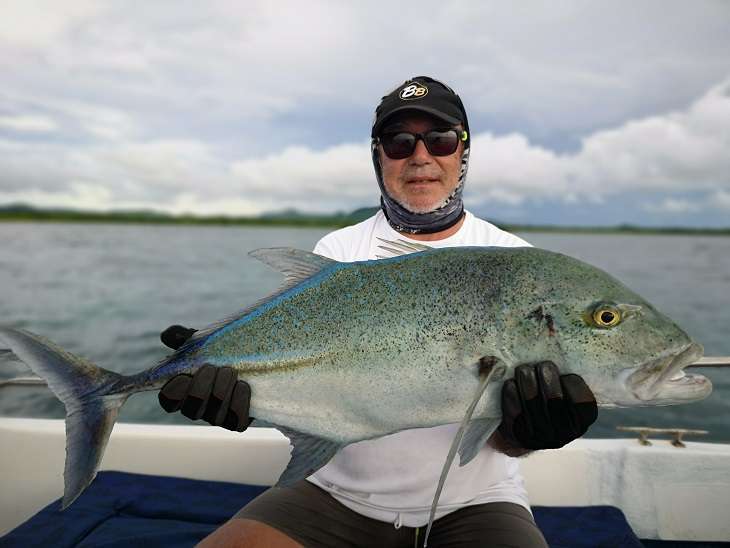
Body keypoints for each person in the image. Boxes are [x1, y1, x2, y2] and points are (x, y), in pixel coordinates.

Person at [158, 76, 598, 548]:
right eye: (399, 141)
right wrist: (228, 377)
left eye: (441, 139)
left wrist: (529, 432)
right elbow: (311, 383)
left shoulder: (513, 260)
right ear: (378, 155)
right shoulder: (341, 252)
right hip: (333, 495)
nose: (421, 156)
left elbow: (504, 437)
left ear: (463, 151)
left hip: (475, 504)